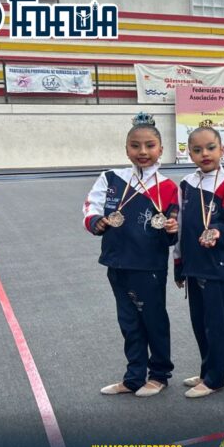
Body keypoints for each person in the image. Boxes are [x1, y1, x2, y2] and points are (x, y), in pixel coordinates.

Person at [82, 113, 179, 397]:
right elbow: (91, 205)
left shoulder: (168, 187)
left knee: (153, 319)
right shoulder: (111, 178)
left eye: (150, 145)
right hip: (116, 262)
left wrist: (173, 227)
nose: (143, 152)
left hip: (149, 264)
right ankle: (134, 376)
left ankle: (159, 374)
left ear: (161, 149)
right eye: (136, 146)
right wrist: (96, 220)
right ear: (127, 150)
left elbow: (174, 225)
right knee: (128, 321)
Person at [174, 126, 224, 398]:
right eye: (198, 150)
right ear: (189, 153)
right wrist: (178, 265)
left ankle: (215, 378)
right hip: (193, 263)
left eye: (211, 148)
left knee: (215, 323)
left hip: (216, 265)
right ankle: (206, 370)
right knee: (199, 322)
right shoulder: (187, 184)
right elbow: (180, 228)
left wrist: (217, 232)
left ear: (222, 150)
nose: (205, 154)